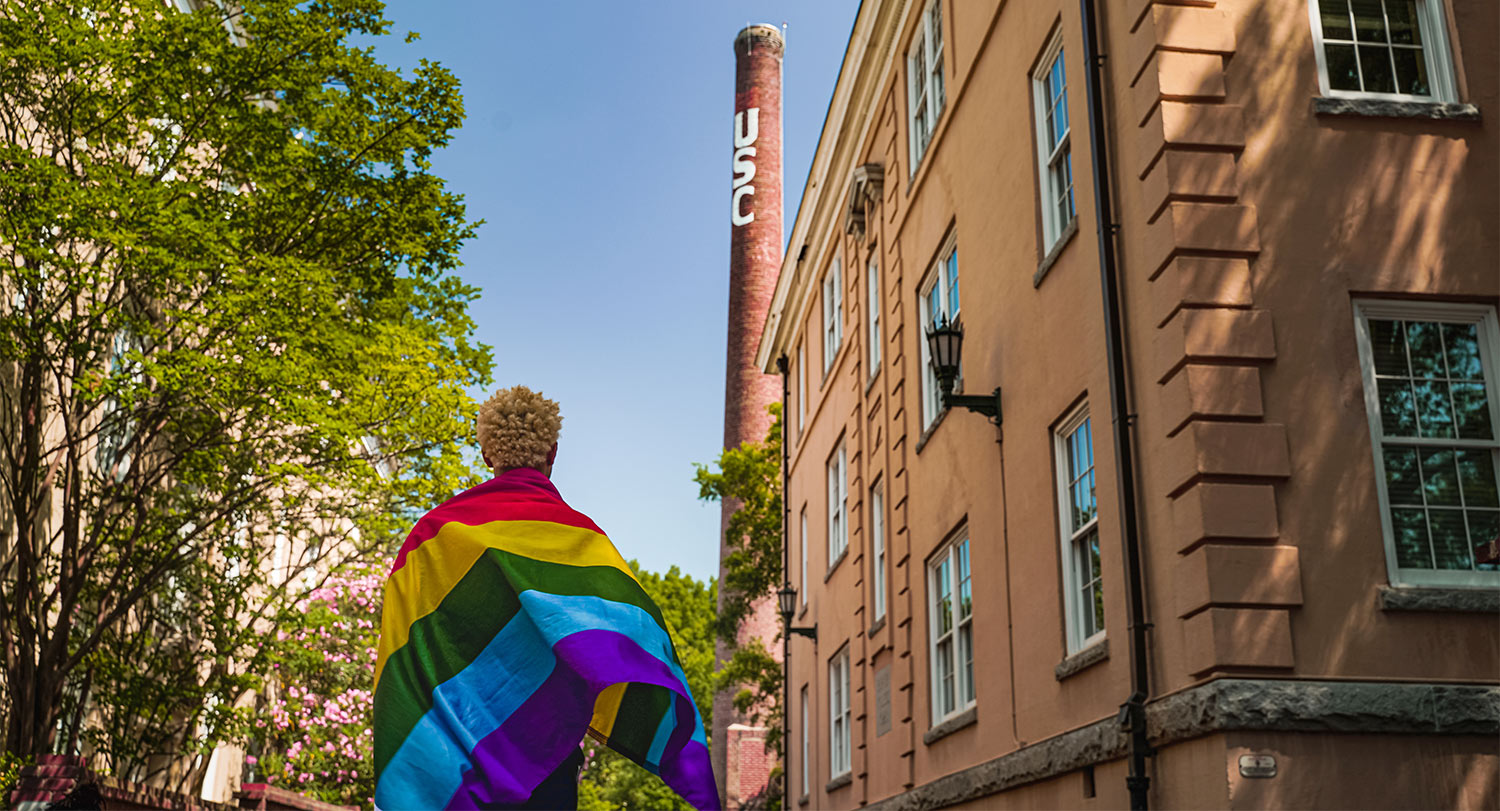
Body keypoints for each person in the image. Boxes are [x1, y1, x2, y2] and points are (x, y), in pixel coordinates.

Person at [373, 386, 718, 811]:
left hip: (454, 768)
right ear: (553, 451)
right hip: (549, 768)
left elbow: (404, 654)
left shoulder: (434, 536)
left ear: (486, 454)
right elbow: (638, 628)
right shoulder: (580, 539)